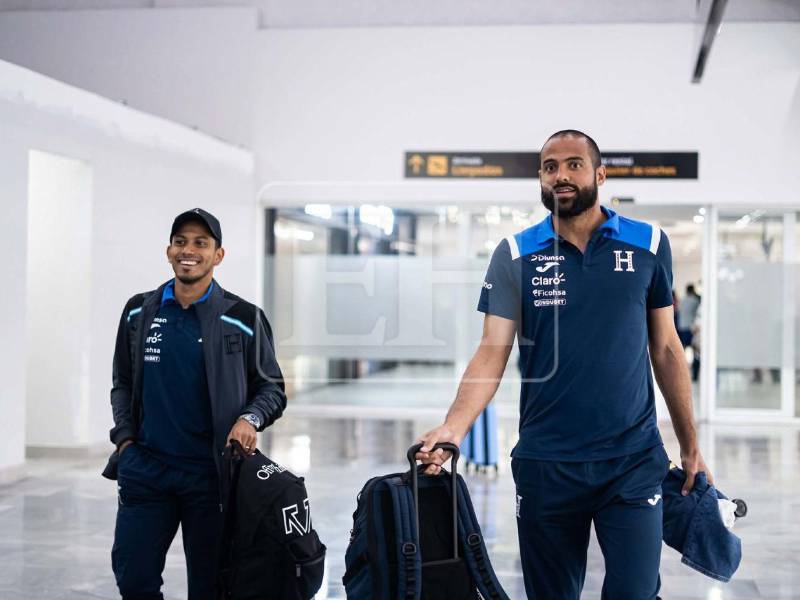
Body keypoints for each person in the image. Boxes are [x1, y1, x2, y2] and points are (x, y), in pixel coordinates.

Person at [416, 130, 712, 599]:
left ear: (599, 174)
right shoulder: (515, 254)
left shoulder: (648, 244)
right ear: (540, 178)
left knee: (635, 592)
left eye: (574, 164)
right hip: (546, 464)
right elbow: (492, 349)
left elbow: (667, 349)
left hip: (632, 460)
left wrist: (690, 445)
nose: (561, 175)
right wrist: (454, 427)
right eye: (550, 166)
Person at [105, 208, 287, 600]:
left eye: (201, 243)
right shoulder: (139, 310)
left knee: (210, 587)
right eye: (181, 242)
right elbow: (122, 382)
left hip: (212, 477)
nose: (189, 250)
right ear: (169, 250)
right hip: (147, 470)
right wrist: (125, 442)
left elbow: (272, 388)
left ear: (218, 255)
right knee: (134, 579)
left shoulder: (243, 317)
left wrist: (248, 419)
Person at [676, 284, 701, 348]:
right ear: (693, 290)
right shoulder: (695, 300)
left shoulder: (681, 300)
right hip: (691, 328)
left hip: (681, 326)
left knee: (684, 347)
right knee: (692, 347)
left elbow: (678, 311)